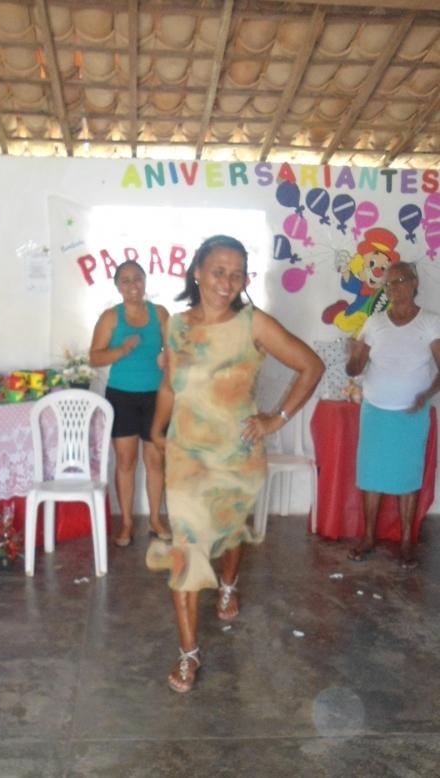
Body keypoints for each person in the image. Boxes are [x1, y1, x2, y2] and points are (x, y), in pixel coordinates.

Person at [147, 235, 324, 693]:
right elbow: (171, 384)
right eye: (219, 270)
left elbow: (311, 365)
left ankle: (229, 582)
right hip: (187, 456)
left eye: (237, 272)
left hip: (236, 457)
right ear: (197, 272)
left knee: (230, 533)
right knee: (185, 550)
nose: (228, 281)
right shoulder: (176, 327)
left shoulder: (254, 325)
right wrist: (157, 431)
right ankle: (188, 654)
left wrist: (274, 419)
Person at [346, 261, 440, 569]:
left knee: (407, 480)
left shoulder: (430, 322)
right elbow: (354, 369)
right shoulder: (374, 322)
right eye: (388, 283)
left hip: (411, 414)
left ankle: (406, 543)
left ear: (414, 283)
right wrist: (354, 356)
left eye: (400, 281)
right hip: (374, 411)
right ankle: (369, 537)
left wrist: (425, 396)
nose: (394, 288)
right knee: (371, 477)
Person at [89, 260, 170, 547]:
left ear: (145, 281)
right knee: (125, 461)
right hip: (122, 395)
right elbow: (95, 357)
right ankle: (125, 522)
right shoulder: (111, 317)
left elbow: (176, 351)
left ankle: (156, 520)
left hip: (156, 397)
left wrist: (168, 358)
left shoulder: (160, 313)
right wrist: (122, 350)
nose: (133, 285)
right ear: (118, 286)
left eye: (137, 278)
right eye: (126, 280)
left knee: (155, 460)